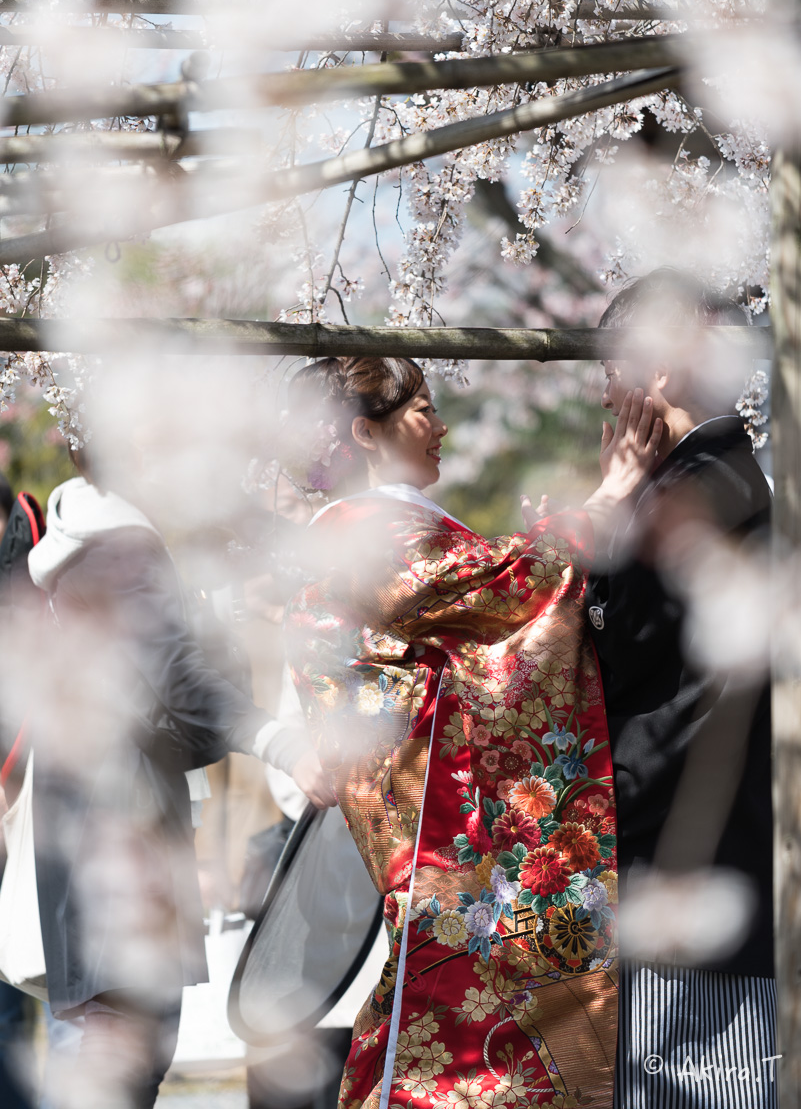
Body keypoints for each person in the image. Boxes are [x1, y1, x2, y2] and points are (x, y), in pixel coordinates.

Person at [283, 356, 662, 1109]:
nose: (442, 424)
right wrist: (606, 499)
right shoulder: (361, 532)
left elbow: (484, 606)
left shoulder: (384, 528)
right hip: (435, 821)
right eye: (422, 407)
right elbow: (495, 591)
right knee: (454, 1015)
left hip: (432, 814)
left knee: (450, 1004)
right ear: (365, 431)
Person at [17, 447, 333, 1109]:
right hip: (113, 836)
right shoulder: (119, 544)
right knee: (117, 1052)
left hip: (94, 819)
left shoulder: (84, 537)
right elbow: (177, 674)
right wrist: (279, 742)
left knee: (112, 1043)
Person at [584, 268, 774, 1108]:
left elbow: (610, 661)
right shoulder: (741, 478)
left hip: (666, 837)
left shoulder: (681, 497)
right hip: (735, 840)